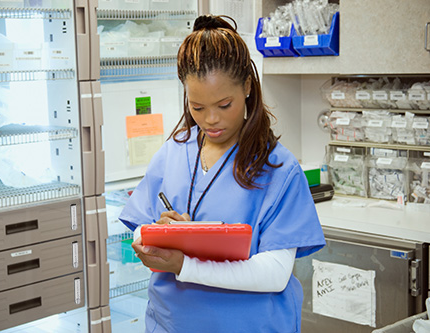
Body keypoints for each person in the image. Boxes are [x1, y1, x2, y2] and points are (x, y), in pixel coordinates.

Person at [118, 14, 325, 333]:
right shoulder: (176, 151)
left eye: (224, 105)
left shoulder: (278, 169)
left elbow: (274, 273)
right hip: (172, 323)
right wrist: (156, 236)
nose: (211, 120)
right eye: (197, 108)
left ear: (247, 87)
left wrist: (185, 264)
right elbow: (140, 230)